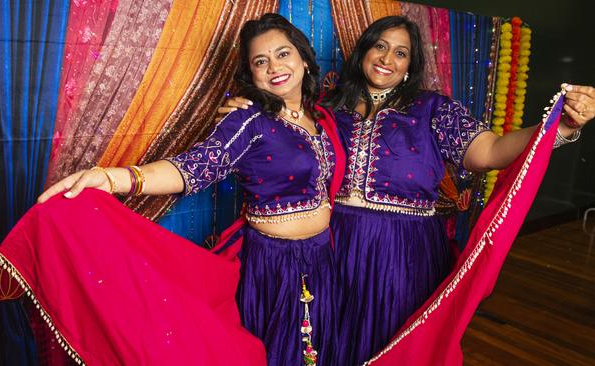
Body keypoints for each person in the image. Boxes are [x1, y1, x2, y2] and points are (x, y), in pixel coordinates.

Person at [219, 15, 595, 365]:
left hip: (404, 252)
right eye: (379, 46)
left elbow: (492, 152)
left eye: (401, 53)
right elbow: (276, 122)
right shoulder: (327, 108)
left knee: (396, 343)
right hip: (334, 249)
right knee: (332, 341)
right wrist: (246, 105)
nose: (387, 59)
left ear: (411, 66)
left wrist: (557, 128)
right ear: (363, 51)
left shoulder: (434, 110)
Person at [0, 13, 346, 366]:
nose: (275, 66)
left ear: (303, 57)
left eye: (283, 54)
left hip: (321, 259)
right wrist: (114, 178)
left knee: (319, 351)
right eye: (261, 61)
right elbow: (192, 168)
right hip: (274, 269)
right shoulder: (248, 121)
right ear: (251, 74)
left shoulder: (323, 119)